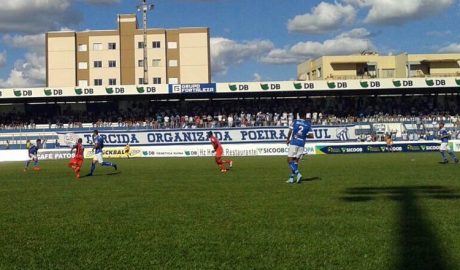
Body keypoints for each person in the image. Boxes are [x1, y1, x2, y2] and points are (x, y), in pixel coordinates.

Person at [286, 116, 313, 183]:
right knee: (295, 162)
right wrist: (303, 135)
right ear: (305, 116)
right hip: (301, 144)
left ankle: (298, 174)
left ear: (299, 115)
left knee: (289, 160)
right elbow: (312, 136)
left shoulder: (295, 121)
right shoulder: (308, 124)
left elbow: (290, 130)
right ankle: (291, 178)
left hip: (294, 142)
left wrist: (288, 139)